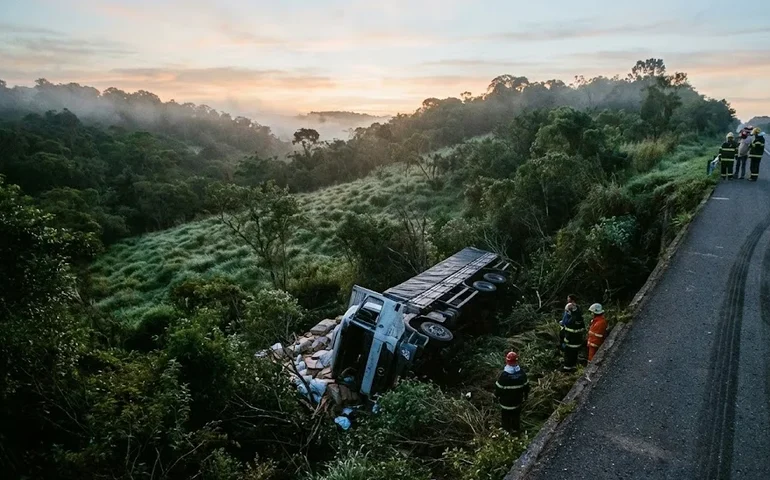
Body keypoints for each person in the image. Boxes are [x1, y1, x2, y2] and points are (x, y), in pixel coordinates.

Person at [495, 351, 530, 432]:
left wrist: (496, 397)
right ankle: (516, 430)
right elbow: (526, 387)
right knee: (516, 417)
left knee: (505, 418)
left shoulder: (504, 375)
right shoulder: (522, 374)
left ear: (507, 361)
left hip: (505, 403)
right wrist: (525, 396)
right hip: (517, 402)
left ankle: (506, 431)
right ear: (517, 361)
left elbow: (498, 388)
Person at [560, 294, 585, 372]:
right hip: (577, 341)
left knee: (568, 356)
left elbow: (568, 330)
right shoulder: (578, 317)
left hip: (570, 342)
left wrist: (565, 341)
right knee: (574, 355)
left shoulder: (571, 320)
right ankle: (573, 366)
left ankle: (567, 369)